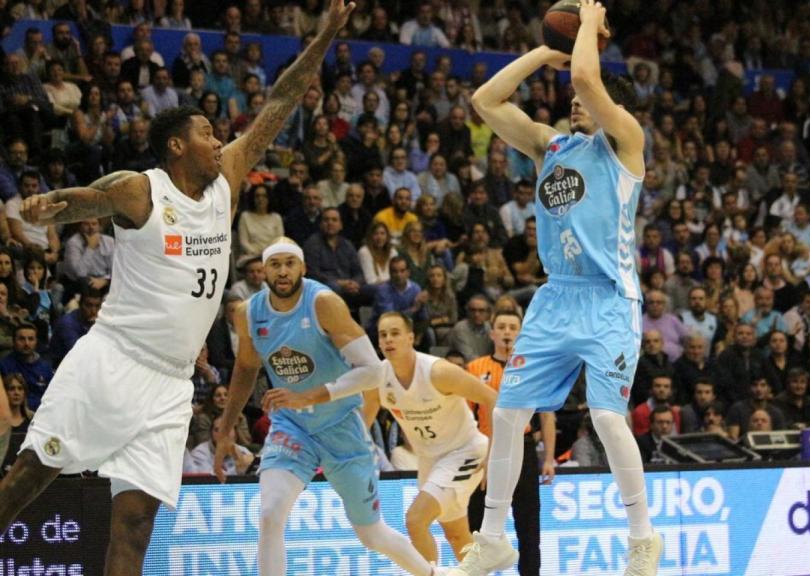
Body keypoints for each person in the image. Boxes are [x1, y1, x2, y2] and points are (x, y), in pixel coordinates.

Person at [0, 2, 359, 573]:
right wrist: (52, 206)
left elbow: (282, 100)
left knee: (136, 524)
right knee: (29, 477)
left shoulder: (227, 181)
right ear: (176, 145)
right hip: (114, 360)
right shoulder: (143, 190)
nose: (219, 141)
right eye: (206, 133)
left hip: (171, 384)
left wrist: (324, 36)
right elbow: (91, 199)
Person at [458, 2, 661, 573]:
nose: (574, 100)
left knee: (608, 417)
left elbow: (587, 79)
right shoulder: (550, 146)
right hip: (556, 297)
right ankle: (492, 538)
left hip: (608, 297)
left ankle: (642, 538)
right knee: (507, 414)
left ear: (612, 107)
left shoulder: (625, 141)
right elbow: (485, 102)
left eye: (584, 98)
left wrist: (588, 26)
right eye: (571, 98)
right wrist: (546, 51)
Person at [214, 239, 450, 576]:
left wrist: (309, 396)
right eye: (275, 264)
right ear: (263, 271)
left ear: (303, 267)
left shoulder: (323, 303)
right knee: (270, 513)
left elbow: (373, 371)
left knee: (371, 534)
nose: (283, 271)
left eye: (290, 263)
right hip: (292, 426)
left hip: (341, 425)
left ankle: (432, 573)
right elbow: (245, 368)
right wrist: (225, 428)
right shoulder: (248, 312)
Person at [357, 312, 496, 563]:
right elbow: (362, 425)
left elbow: (492, 398)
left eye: (395, 333)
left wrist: (496, 453)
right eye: (383, 334)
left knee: (415, 520)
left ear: (411, 338)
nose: (388, 339)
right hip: (429, 458)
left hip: (465, 451)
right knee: (456, 535)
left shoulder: (438, 372)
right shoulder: (378, 378)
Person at [464, 309, 555, 576]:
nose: (507, 332)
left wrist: (549, 458)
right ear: (492, 333)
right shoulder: (475, 368)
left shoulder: (533, 369)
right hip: (483, 450)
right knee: (477, 523)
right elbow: (465, 416)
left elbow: (547, 416)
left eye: (513, 327)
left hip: (523, 448)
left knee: (528, 526)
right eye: (502, 327)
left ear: (521, 333)